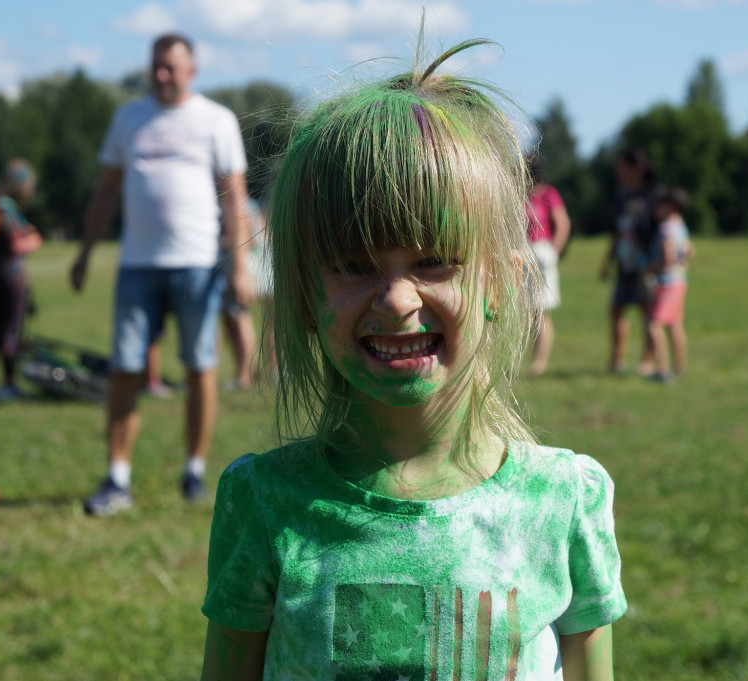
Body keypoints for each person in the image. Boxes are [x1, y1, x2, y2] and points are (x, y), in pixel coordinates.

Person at [199, 38, 627, 681]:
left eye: (434, 261)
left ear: (501, 284)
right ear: (303, 290)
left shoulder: (563, 501)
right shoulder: (264, 502)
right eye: (354, 265)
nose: (398, 299)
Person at [69, 33, 253, 516]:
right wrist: (85, 251)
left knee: (200, 366)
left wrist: (239, 265)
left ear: (192, 71)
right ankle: (117, 477)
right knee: (126, 368)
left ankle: (194, 470)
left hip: (197, 263)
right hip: (137, 264)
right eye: (156, 66)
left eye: (171, 67)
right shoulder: (128, 118)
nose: (162, 75)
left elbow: (234, 196)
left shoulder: (216, 119)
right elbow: (106, 190)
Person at [0, 159, 40, 402]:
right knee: (10, 331)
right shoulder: (5, 208)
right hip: (10, 279)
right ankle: (7, 383)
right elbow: (17, 243)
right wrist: (34, 239)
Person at [599, 147, 657, 376]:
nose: (618, 171)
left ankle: (648, 360)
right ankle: (616, 361)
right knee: (616, 310)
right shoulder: (622, 196)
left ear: (637, 169)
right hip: (624, 263)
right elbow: (616, 232)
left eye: (622, 167)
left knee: (648, 314)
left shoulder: (654, 195)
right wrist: (607, 261)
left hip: (647, 266)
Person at [220, 197, 276, 391]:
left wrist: (220, 242)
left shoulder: (232, 205)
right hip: (267, 265)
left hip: (247, 269)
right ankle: (275, 372)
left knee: (241, 319)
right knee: (272, 322)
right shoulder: (250, 204)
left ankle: (245, 375)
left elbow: (245, 238)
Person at [525, 154, 571, 376]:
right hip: (522, 253)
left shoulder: (548, 194)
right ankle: (530, 360)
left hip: (542, 252)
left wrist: (554, 251)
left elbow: (562, 224)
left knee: (542, 310)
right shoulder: (521, 196)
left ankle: (539, 362)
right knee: (527, 311)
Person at [645, 186, 695, 382]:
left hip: (666, 282)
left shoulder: (666, 228)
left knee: (654, 326)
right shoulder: (681, 225)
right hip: (680, 280)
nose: (655, 209)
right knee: (675, 325)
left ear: (670, 207)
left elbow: (667, 258)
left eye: (659, 205)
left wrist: (647, 269)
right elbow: (689, 250)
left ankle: (662, 371)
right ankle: (680, 368)